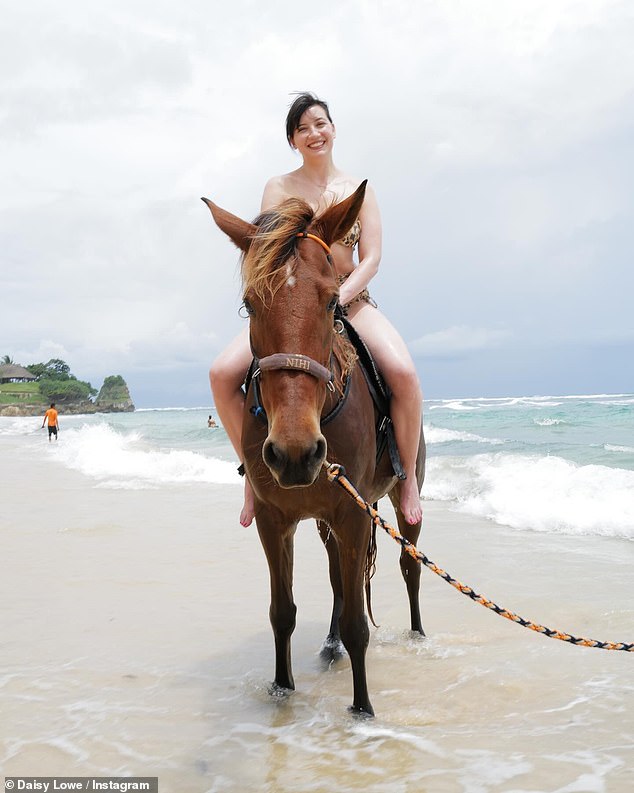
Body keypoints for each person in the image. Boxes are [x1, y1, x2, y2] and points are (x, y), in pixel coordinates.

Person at [210, 92, 423, 527]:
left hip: (350, 300)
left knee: (403, 374)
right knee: (221, 374)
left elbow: (372, 258)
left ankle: (407, 479)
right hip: (293, 306)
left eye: (320, 124)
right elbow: (270, 254)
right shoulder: (279, 187)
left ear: (333, 129)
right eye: (302, 128)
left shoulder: (358, 190)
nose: (314, 133)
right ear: (292, 140)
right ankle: (251, 475)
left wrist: (339, 300)